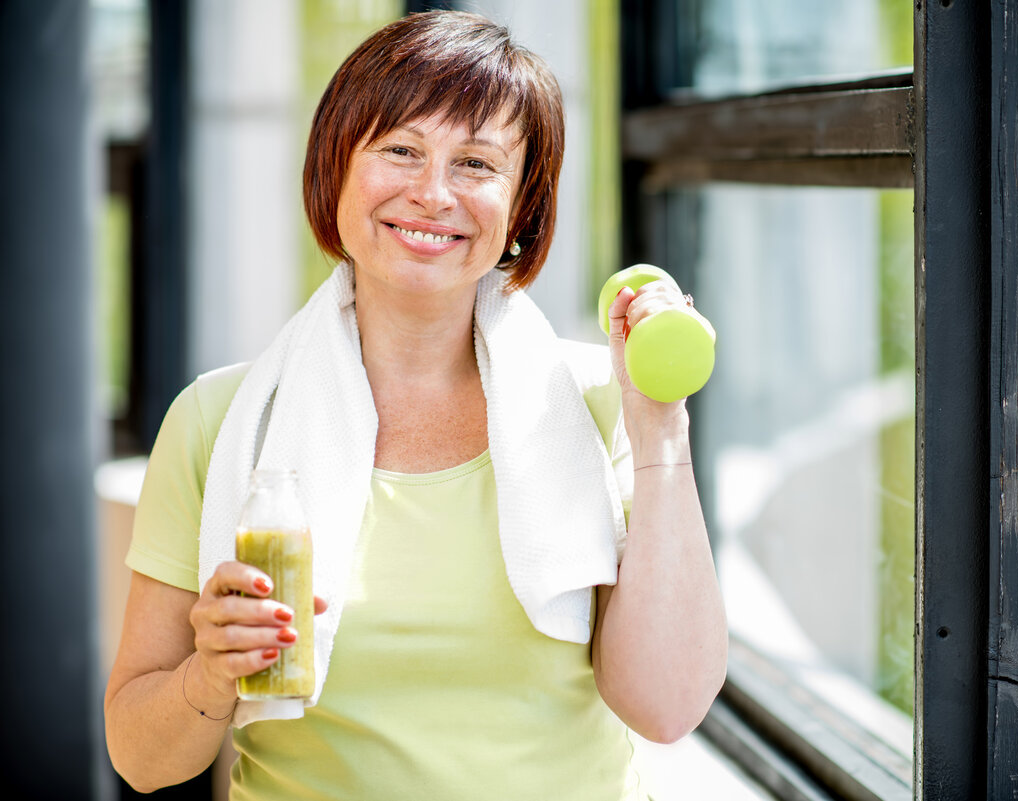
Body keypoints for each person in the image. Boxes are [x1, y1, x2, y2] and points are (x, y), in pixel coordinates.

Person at [104, 11, 726, 799]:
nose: (433, 194)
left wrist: (660, 425)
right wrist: (211, 673)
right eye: (400, 149)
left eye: (476, 163)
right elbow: (140, 756)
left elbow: (666, 707)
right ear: (336, 170)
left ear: (521, 211)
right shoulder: (220, 421)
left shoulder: (600, 406)